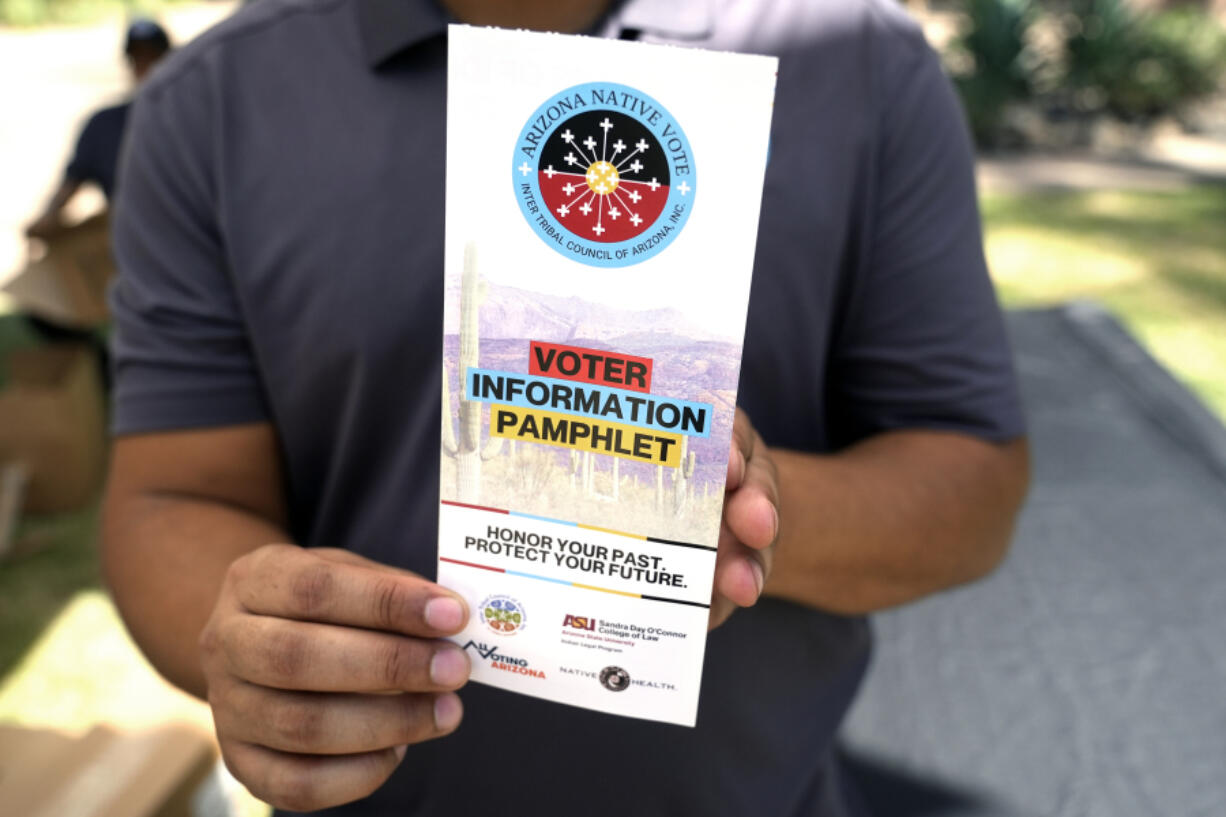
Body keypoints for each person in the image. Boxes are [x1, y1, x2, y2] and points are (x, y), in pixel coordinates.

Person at [101, 1, 1030, 815]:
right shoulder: (214, 104)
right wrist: (257, 644)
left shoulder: (860, 60)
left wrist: (758, 516)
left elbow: (972, 482)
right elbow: (170, 493)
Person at [24, 18, 171, 240]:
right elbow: (72, 181)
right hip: (132, 240)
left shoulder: (197, 118)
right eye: (138, 59)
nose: (146, 67)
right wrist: (49, 216)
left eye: (153, 58)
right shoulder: (103, 124)